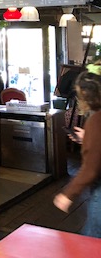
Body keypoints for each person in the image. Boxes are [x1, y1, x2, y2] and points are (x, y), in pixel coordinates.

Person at [54, 64, 101, 238]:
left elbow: (91, 169)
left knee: (92, 242)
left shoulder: (95, 120)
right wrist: (87, 138)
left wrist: (68, 194)